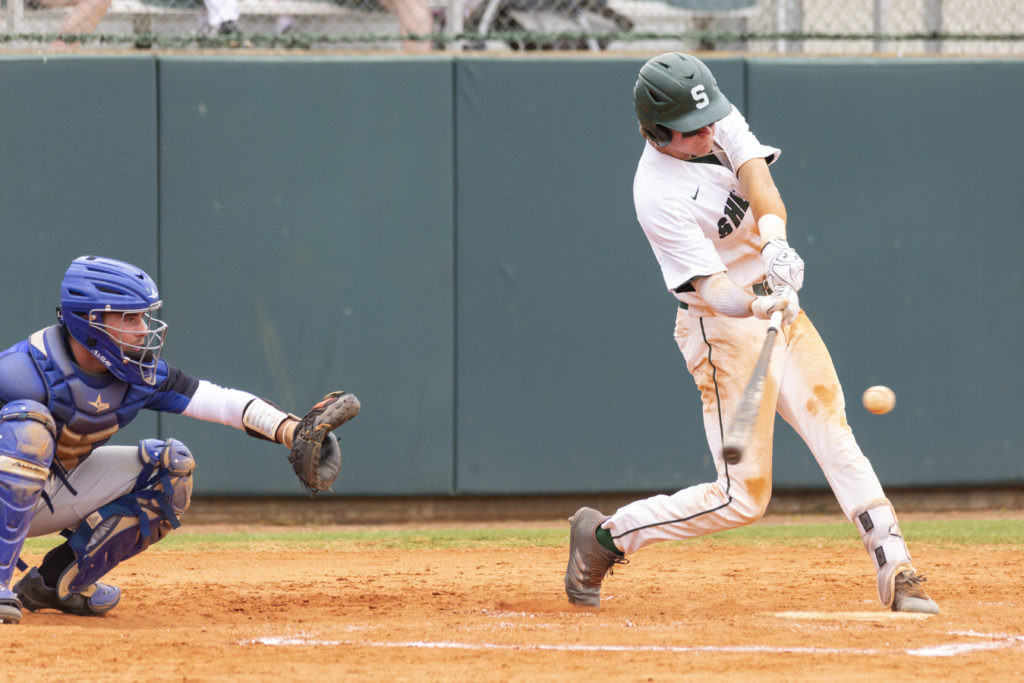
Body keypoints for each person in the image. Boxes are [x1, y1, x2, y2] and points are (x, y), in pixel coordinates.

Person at [563, 53, 938, 615]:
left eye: (709, 120)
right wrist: (758, 301)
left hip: (776, 304)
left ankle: (896, 566)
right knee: (742, 498)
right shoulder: (656, 194)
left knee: (832, 428)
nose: (708, 132)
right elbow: (713, 290)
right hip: (722, 328)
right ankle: (605, 538)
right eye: (692, 130)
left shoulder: (708, 115)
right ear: (657, 132)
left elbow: (756, 176)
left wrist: (775, 242)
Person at [0, 255, 357, 624]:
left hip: (47, 494)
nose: (143, 329)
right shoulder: (19, 371)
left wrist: (290, 431)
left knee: (170, 470)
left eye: (143, 316)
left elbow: (220, 401)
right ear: (89, 321)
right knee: (28, 429)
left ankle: (58, 582)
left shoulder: (137, 374)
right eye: (129, 318)